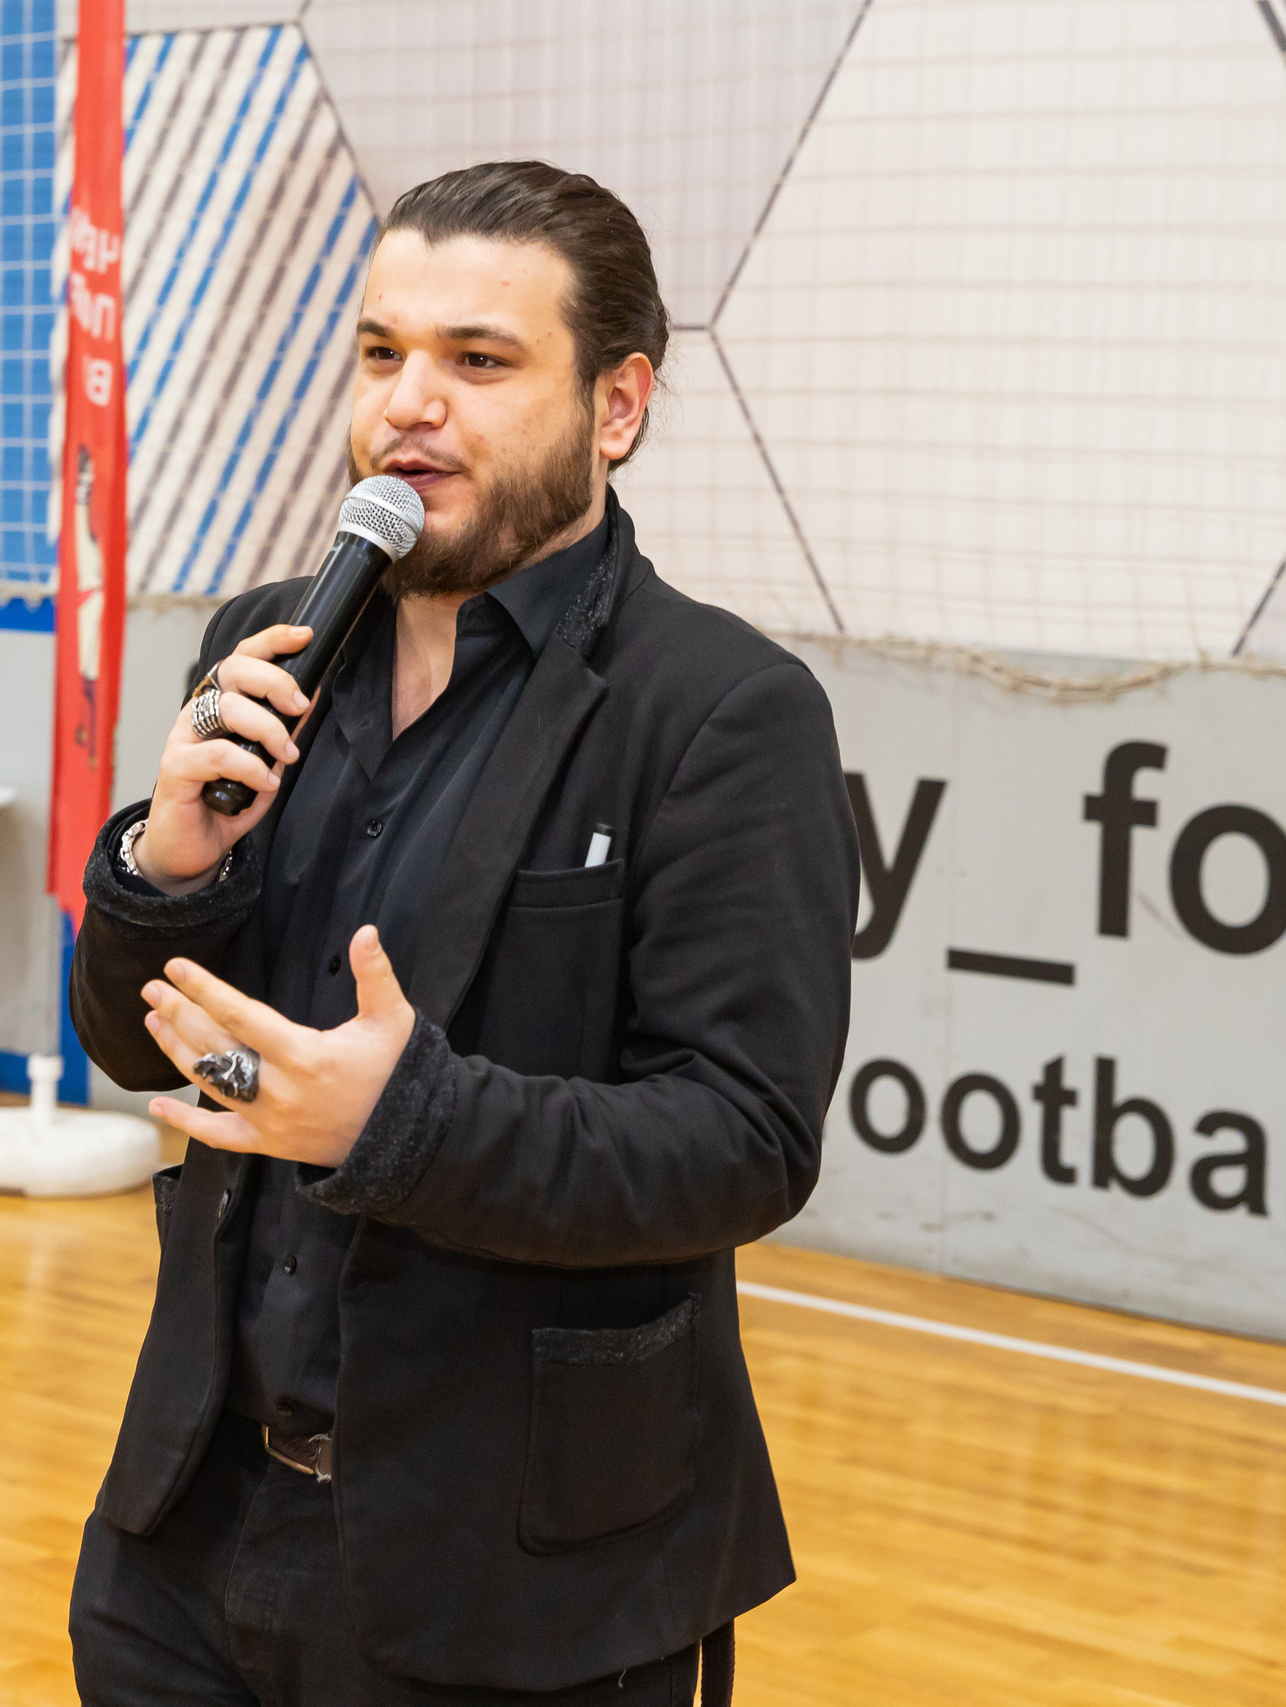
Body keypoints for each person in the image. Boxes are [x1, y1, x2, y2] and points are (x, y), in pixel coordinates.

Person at [65, 163, 857, 1705]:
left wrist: (400, 1121)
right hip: (189, 1527)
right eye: (381, 355)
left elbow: (746, 1137)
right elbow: (124, 1032)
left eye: (477, 363)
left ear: (615, 408)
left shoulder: (720, 715)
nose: (405, 407)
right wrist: (163, 868)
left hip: (518, 1577)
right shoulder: (263, 642)